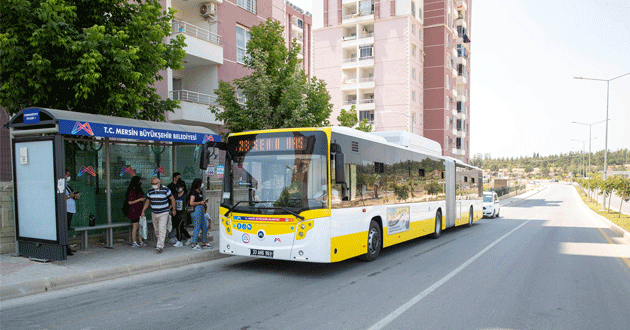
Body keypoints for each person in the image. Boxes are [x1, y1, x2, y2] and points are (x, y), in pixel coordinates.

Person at [141, 177, 176, 253]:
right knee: (156, 230)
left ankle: (160, 246)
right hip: (154, 213)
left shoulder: (166, 189)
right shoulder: (150, 191)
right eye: (152, 184)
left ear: (159, 183)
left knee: (161, 229)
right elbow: (147, 201)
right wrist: (143, 210)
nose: (153, 185)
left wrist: (173, 209)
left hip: (164, 212)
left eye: (155, 184)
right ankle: (160, 242)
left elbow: (172, 199)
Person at [125, 176, 147, 248]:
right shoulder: (131, 190)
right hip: (133, 211)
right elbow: (130, 202)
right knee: (135, 226)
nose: (140, 182)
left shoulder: (139, 189)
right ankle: (134, 242)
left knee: (140, 226)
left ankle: (140, 241)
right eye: (139, 180)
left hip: (140, 210)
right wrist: (139, 199)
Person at [189, 178, 211, 250]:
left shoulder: (200, 192)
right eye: (201, 183)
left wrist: (203, 202)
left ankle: (204, 242)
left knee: (204, 226)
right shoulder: (193, 192)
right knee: (197, 227)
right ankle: (194, 243)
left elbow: (199, 201)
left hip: (201, 209)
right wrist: (200, 203)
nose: (202, 184)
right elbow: (191, 203)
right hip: (196, 210)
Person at [171, 180, 191, 247]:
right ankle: (189, 237)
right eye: (178, 187)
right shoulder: (175, 194)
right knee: (180, 227)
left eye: (180, 187)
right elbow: (172, 202)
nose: (178, 188)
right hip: (177, 212)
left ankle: (180, 241)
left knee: (179, 226)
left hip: (184, 213)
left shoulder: (186, 195)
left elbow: (189, 204)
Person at [65, 170, 79, 256]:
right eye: (67, 175)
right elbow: (60, 196)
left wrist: (76, 196)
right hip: (65, 210)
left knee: (67, 228)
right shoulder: (60, 185)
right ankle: (65, 248)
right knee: (65, 229)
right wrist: (69, 196)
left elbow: (72, 195)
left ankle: (67, 246)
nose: (68, 177)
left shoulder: (67, 185)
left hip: (70, 210)